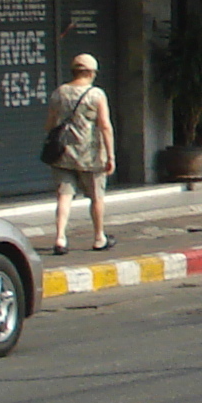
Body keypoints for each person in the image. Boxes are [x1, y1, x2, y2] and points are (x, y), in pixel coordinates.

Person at [44, 53, 116, 256]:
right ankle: (99, 237)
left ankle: (59, 238)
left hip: (63, 154)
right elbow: (105, 126)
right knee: (96, 197)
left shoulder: (59, 93)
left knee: (64, 197)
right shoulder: (96, 95)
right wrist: (110, 156)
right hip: (91, 155)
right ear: (92, 72)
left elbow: (49, 125)